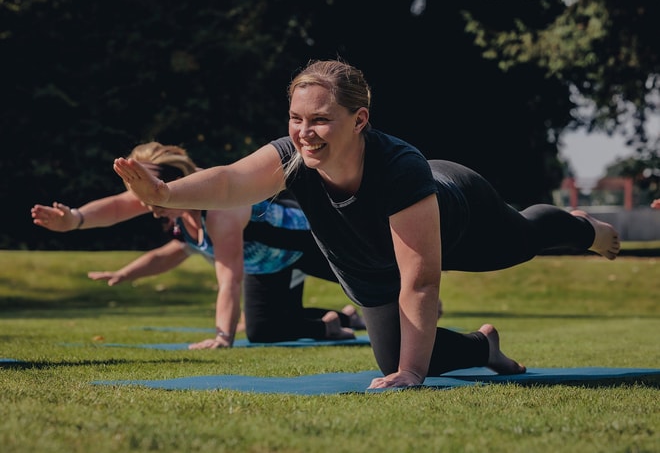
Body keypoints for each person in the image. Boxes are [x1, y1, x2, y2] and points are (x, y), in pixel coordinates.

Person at [113, 59, 621, 389]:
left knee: (523, 238)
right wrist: (163, 193)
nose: (305, 132)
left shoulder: (399, 167)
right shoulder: (292, 157)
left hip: (459, 214)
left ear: (359, 120)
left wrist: (415, 374)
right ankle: (483, 347)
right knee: (389, 358)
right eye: (296, 118)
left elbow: (421, 280)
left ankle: (582, 229)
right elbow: (228, 183)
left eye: (320, 119)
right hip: (366, 259)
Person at [32, 142, 367, 348]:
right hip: (271, 265)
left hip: (313, 243)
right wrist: (74, 218)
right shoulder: (163, 201)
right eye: (146, 202)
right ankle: (337, 322)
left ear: (174, 184)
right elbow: (121, 209)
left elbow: (229, 279)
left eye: (154, 201)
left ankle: (369, 312)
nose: (152, 211)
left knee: (379, 287)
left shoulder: (217, 210)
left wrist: (223, 336)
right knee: (265, 331)